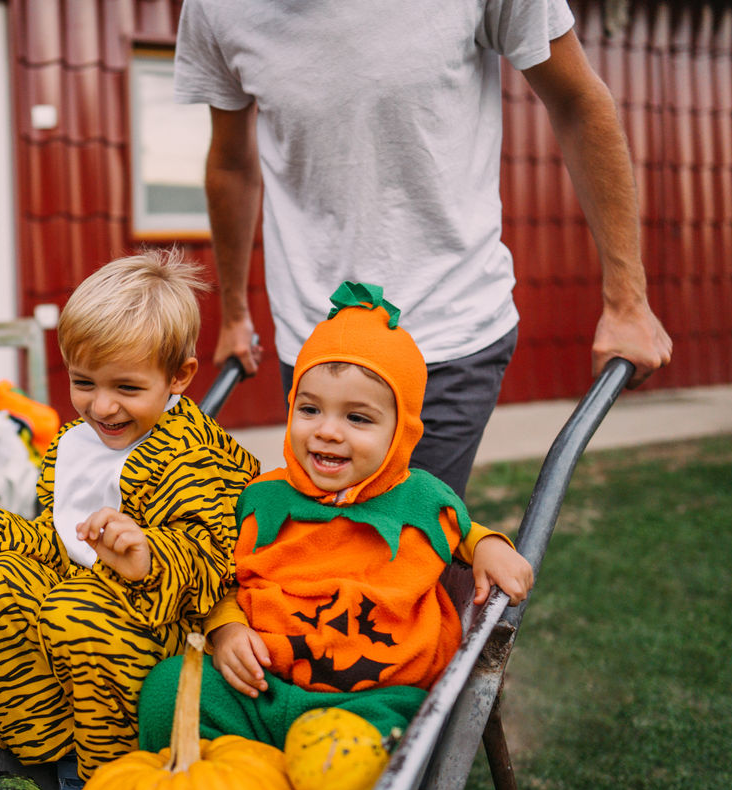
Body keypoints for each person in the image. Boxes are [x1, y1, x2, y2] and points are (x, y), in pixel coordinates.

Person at [173, 0, 673, 496]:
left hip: (446, 330)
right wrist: (236, 313)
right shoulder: (217, 9)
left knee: (402, 545)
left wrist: (627, 302)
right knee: (326, 541)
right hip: (315, 337)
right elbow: (232, 163)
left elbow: (577, 103)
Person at [0, 250, 259, 784]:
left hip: (165, 624)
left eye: (127, 388)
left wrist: (148, 553)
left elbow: (217, 560)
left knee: (79, 609)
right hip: (80, 617)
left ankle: (106, 772)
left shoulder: (192, 458)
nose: (100, 407)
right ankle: (46, 755)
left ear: (180, 377)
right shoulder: (75, 445)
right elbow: (60, 538)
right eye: (84, 382)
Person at [138, 282, 534, 748]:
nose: (327, 431)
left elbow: (463, 532)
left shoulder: (424, 499)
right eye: (309, 409)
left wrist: (489, 545)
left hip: (377, 698)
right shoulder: (262, 499)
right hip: (264, 688)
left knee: (363, 751)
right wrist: (226, 630)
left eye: (358, 418)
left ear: (401, 432)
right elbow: (222, 580)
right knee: (167, 690)